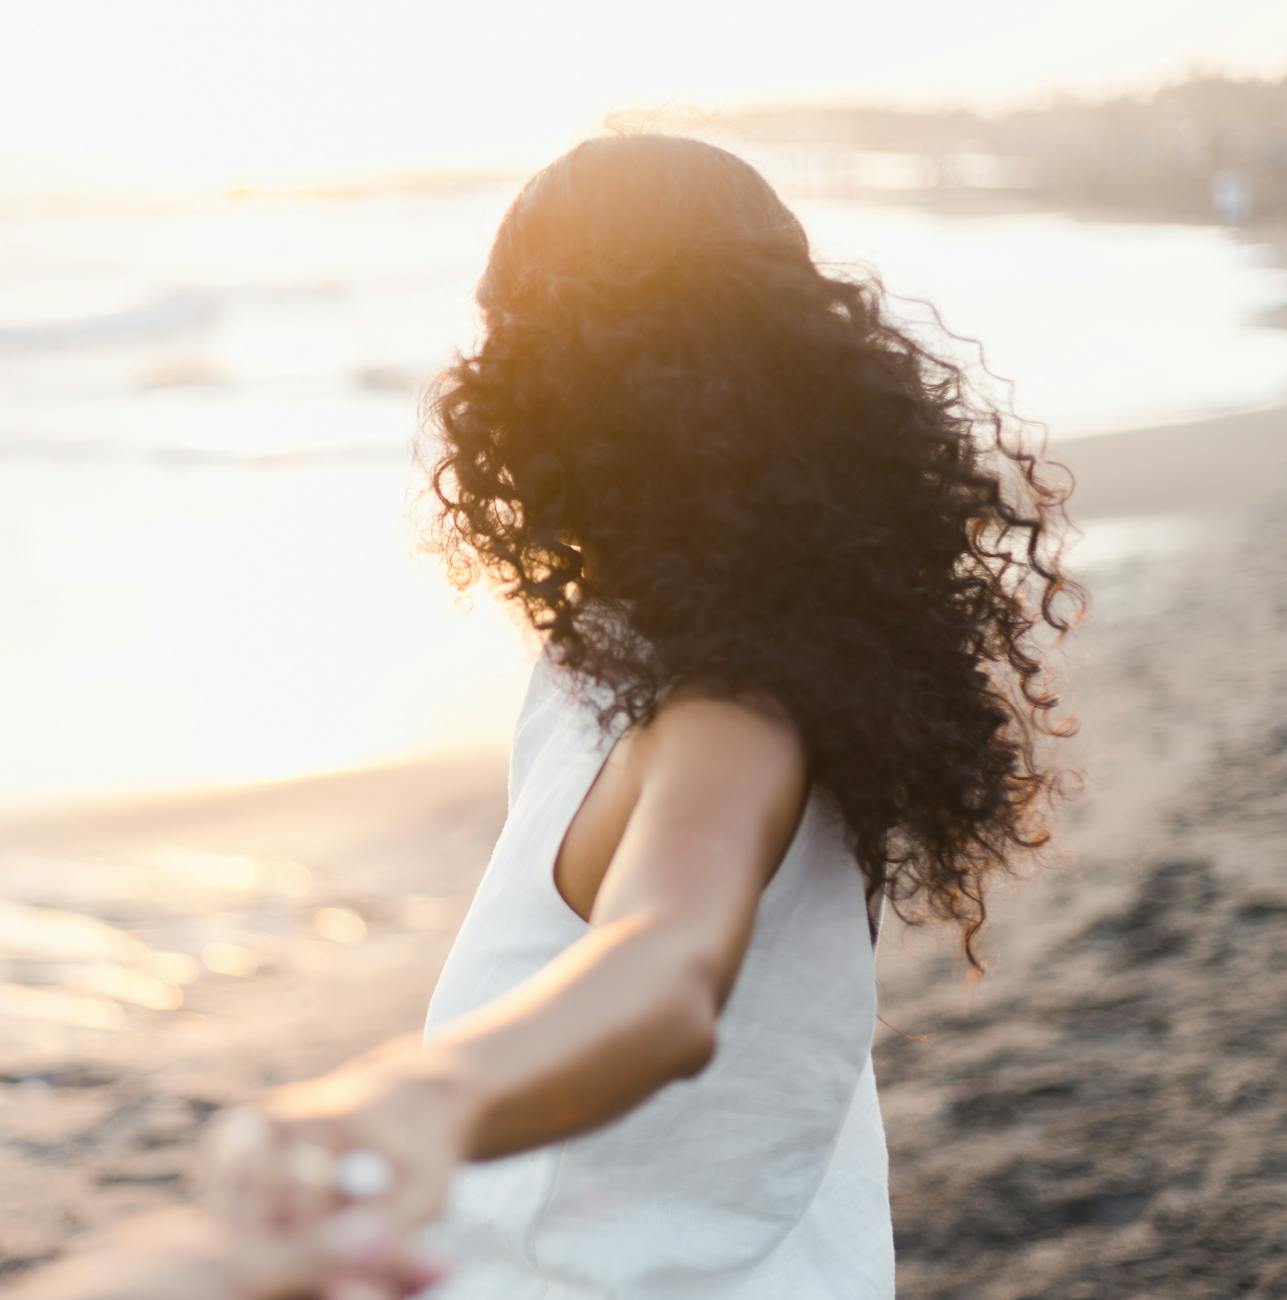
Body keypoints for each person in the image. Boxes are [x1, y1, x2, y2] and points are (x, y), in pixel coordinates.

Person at [14, 129, 1083, 1300]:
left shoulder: (732, 709)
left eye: (503, 339)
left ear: (560, 384)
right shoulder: (688, 647)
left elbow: (666, 961)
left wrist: (413, 1096)